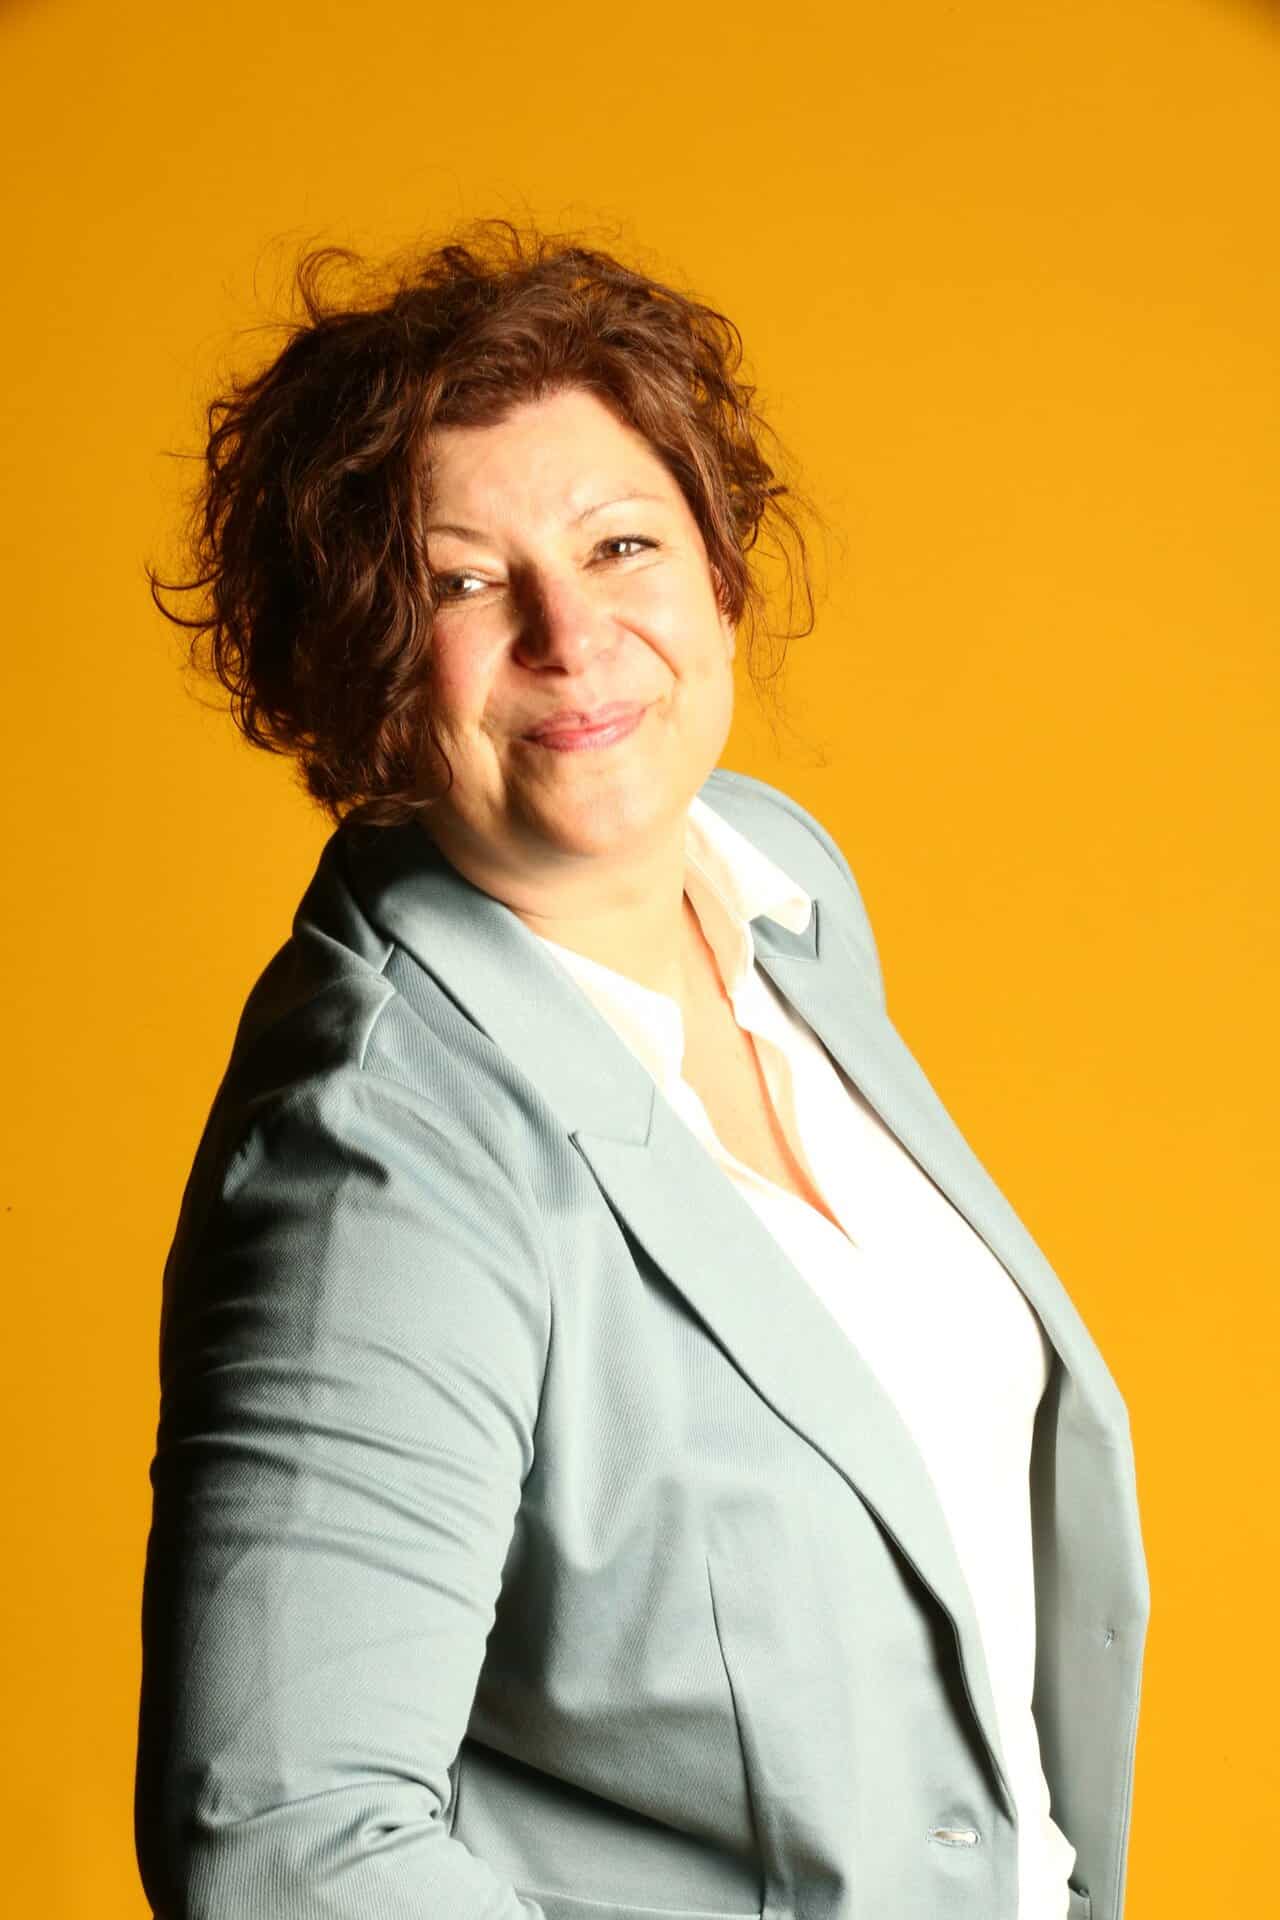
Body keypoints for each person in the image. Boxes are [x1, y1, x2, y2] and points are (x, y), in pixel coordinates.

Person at [135, 219, 1149, 1920]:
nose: (570, 631)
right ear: (359, 657)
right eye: (465, 583)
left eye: (622, 544)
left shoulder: (772, 884)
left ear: (721, 569)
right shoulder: (377, 1150)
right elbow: (285, 1846)